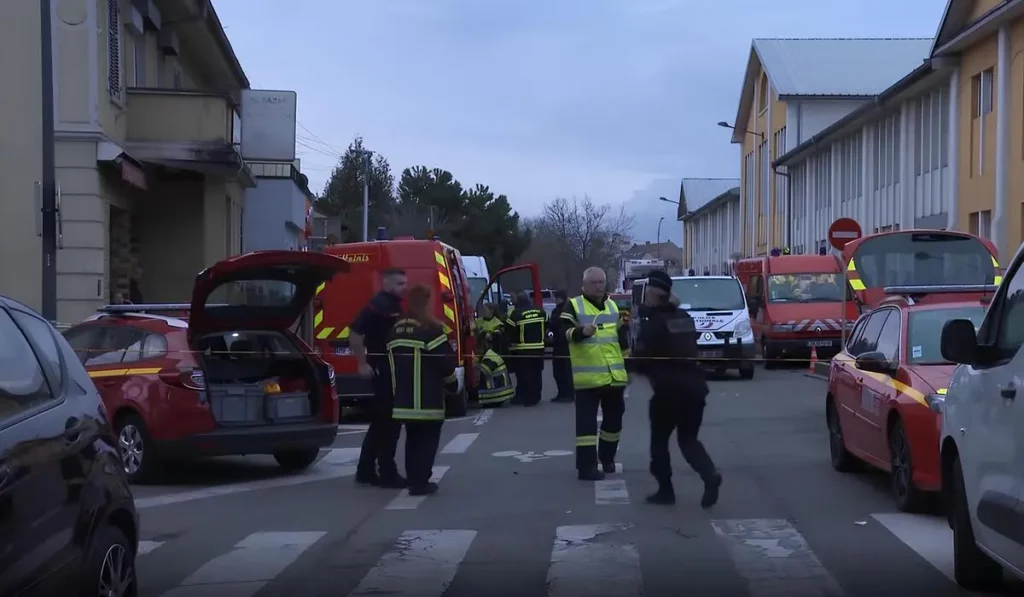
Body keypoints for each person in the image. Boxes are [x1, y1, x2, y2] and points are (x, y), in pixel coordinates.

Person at [631, 270, 722, 508]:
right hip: (695, 389)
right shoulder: (684, 318)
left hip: (668, 393)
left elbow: (641, 358)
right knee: (689, 439)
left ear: (652, 294)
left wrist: (633, 366)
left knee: (659, 442)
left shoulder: (653, 323)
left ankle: (665, 491)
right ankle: (709, 474)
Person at [386, 284, 460, 496]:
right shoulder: (430, 329)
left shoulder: (395, 329)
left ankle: (413, 480)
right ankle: (421, 482)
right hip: (427, 399)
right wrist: (453, 385)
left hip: (402, 400)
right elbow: (445, 363)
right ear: (425, 303)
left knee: (412, 440)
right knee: (428, 441)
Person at [561, 267, 628, 481]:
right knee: (586, 427)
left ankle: (607, 457)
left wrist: (629, 363)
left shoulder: (612, 305)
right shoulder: (573, 305)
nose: (599, 286)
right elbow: (563, 333)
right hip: (587, 379)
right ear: (584, 285)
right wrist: (580, 332)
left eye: (601, 282)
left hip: (614, 376)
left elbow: (621, 338)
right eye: (594, 282)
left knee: (614, 422)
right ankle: (586, 468)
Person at [350, 268, 408, 488]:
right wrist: (362, 362)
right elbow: (355, 332)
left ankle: (365, 470)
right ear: (387, 284)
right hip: (382, 369)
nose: (404, 287)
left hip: (389, 368)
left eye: (405, 283)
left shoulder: (392, 304)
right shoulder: (379, 305)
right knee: (389, 422)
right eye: (400, 283)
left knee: (380, 422)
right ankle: (387, 472)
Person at [505, 292, 546, 406]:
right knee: (537, 373)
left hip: (523, 349)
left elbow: (509, 331)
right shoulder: (540, 311)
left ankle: (527, 398)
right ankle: (536, 396)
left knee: (525, 374)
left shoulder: (516, 314)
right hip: (539, 348)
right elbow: (547, 325)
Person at [475, 334, 515, 407]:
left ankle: (490, 400)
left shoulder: (490, 357)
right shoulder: (489, 354)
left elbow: (484, 372)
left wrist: (475, 364)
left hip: (496, 393)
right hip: (500, 391)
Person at [549, 290, 574, 403]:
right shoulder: (556, 310)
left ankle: (569, 393)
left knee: (567, 371)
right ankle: (561, 393)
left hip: (568, 344)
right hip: (558, 344)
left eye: (556, 298)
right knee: (558, 371)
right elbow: (552, 326)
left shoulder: (569, 310)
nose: (555, 300)